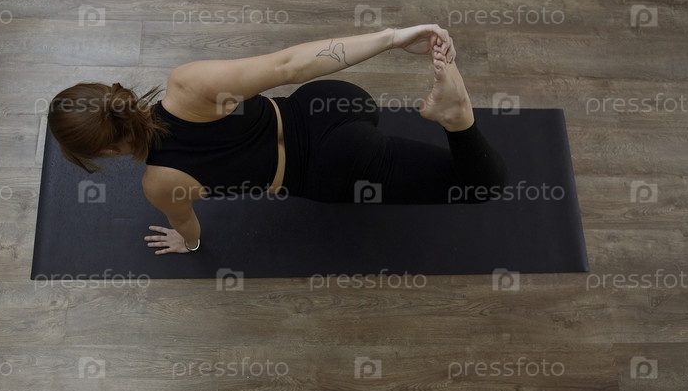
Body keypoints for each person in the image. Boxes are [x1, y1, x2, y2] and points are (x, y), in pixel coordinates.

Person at [47, 25, 507, 255]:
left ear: (106, 151)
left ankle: (456, 117)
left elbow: (189, 229)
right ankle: (408, 124)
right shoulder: (188, 85)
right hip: (333, 102)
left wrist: (188, 245)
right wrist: (392, 37)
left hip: (335, 164)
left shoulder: (160, 183)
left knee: (482, 186)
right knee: (368, 130)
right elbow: (291, 65)